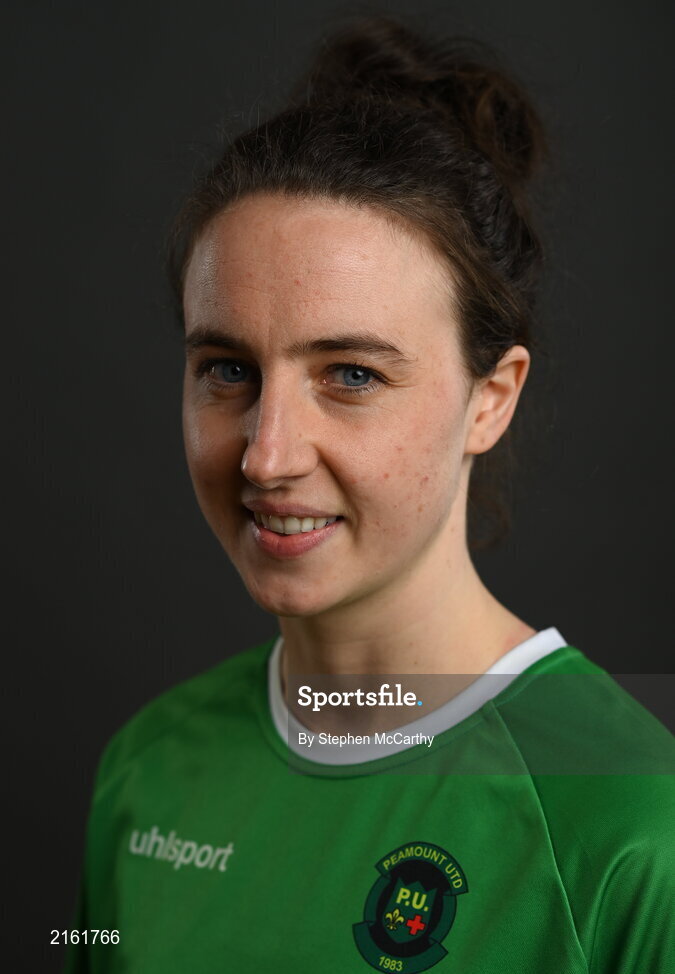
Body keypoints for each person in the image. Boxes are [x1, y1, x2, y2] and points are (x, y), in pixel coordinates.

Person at [65, 14, 674, 974]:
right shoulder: (145, 769)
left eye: (349, 375)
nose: (267, 456)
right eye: (227, 369)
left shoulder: (637, 827)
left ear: (490, 400)